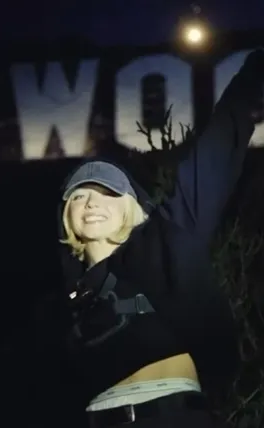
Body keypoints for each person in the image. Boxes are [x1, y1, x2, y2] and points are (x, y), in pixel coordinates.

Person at [57, 49, 264, 427]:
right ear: (67, 215)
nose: (92, 202)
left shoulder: (161, 245)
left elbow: (213, 155)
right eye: (79, 195)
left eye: (108, 192)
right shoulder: (61, 301)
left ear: (131, 208)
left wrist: (252, 77)